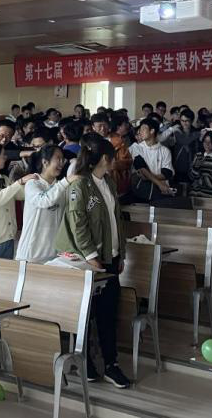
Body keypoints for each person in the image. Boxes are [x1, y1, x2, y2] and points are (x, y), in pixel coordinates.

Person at [54, 136, 130, 389]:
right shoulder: (80, 184)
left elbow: (116, 219)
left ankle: (111, 364)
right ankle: (85, 362)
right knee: (86, 314)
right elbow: (78, 222)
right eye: (113, 157)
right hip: (88, 261)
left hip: (110, 257)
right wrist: (91, 256)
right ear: (105, 158)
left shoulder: (108, 181)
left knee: (109, 313)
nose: (115, 161)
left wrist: (121, 253)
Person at [15, 145, 70, 263]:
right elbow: (44, 201)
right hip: (30, 255)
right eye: (58, 159)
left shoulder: (61, 186)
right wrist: (66, 181)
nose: (61, 163)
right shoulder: (33, 183)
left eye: (63, 159)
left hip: (54, 255)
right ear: (45, 162)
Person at [128, 117, 174, 201]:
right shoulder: (136, 147)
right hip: (141, 191)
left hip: (161, 192)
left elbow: (167, 173)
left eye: (143, 129)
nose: (140, 132)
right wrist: (159, 183)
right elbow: (142, 167)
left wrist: (148, 177)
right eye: (139, 130)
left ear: (152, 131)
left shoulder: (164, 150)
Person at [161, 108, 198, 186]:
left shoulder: (196, 132)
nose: (184, 123)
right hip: (176, 166)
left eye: (187, 121)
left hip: (191, 167)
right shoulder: (175, 131)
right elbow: (163, 141)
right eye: (182, 120)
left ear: (192, 121)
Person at [188, 131, 212, 197]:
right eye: (205, 141)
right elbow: (191, 177)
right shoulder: (198, 155)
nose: (207, 144)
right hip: (194, 194)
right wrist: (196, 168)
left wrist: (201, 179)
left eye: (210, 142)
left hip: (209, 195)